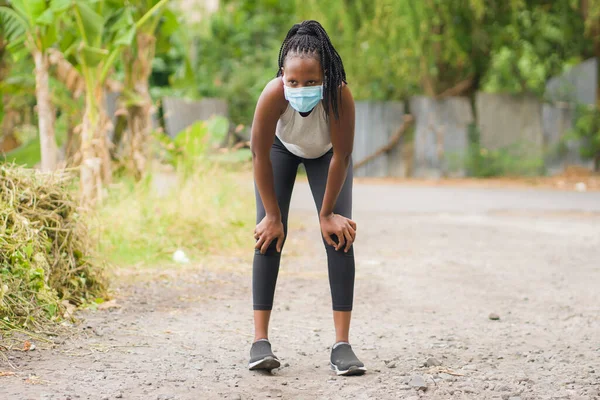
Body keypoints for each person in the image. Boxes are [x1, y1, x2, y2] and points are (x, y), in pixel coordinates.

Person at [248, 20, 366, 377]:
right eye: (294, 81)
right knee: (269, 237)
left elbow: (342, 157)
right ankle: (259, 341)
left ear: (326, 76)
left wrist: (327, 214)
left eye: (311, 82)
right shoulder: (272, 94)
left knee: (339, 237)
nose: (301, 88)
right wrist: (272, 215)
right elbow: (258, 155)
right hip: (279, 151)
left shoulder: (340, 95)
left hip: (328, 156)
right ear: (282, 74)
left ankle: (342, 346)